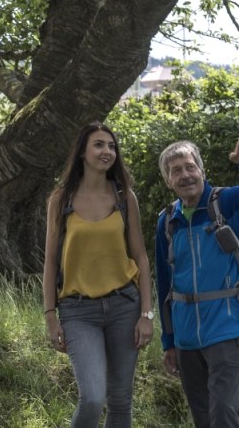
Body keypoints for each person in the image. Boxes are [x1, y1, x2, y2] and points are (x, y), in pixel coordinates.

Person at [153, 134, 239, 428]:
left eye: (190, 167)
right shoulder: (167, 220)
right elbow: (165, 284)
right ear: (168, 181)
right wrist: (168, 341)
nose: (185, 175)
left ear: (202, 171)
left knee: (223, 413)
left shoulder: (227, 203)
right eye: (176, 171)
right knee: (203, 417)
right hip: (185, 336)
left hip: (227, 325)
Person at [41, 121, 156, 428]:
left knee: (120, 401)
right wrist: (51, 316)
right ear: (82, 152)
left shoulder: (124, 197)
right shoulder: (60, 199)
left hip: (124, 306)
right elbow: (50, 262)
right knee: (92, 397)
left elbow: (141, 258)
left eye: (112, 146)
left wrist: (147, 313)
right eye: (99, 145)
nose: (107, 151)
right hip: (78, 311)